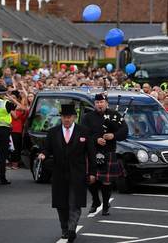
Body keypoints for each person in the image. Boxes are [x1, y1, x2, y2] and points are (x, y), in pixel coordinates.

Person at [38, 104, 96, 242]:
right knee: (61, 204)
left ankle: (71, 229)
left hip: (78, 174)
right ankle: (64, 228)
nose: (67, 119)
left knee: (74, 203)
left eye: (69, 117)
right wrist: (43, 154)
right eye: (64, 117)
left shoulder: (84, 131)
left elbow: (91, 154)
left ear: (74, 117)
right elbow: (47, 149)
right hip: (59, 174)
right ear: (61, 118)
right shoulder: (53, 132)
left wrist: (93, 173)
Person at [81, 93, 128, 216]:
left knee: (106, 181)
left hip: (108, 151)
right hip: (92, 152)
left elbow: (124, 131)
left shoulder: (114, 115)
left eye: (101, 102)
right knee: (90, 180)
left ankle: (106, 205)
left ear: (106, 103)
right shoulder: (87, 117)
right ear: (94, 104)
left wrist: (114, 135)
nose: (99, 105)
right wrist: (95, 139)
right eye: (97, 103)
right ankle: (96, 201)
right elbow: (83, 134)